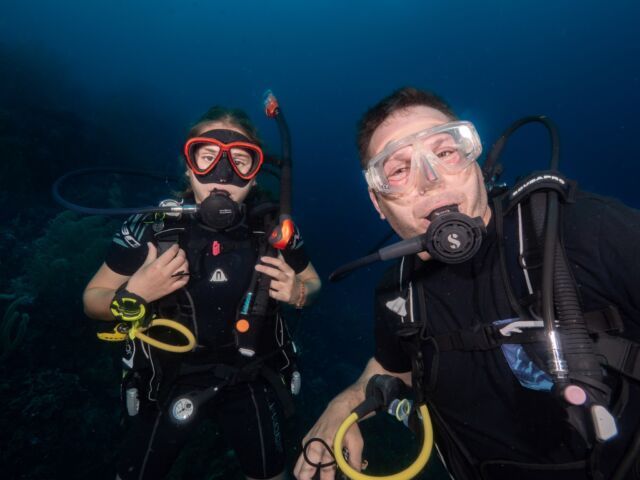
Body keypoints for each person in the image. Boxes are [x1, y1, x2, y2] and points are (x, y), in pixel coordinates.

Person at [294, 87, 640, 480]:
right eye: (398, 170)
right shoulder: (397, 290)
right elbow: (394, 365)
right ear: (378, 202)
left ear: (475, 162)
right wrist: (346, 401)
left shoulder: (579, 230)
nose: (431, 179)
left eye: (444, 153)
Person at [83, 105, 321, 480]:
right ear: (188, 166)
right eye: (208, 157)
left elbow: (313, 281)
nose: (222, 176)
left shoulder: (276, 230)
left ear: (255, 174)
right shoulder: (150, 227)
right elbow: (93, 297)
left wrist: (299, 292)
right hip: (165, 379)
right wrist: (134, 295)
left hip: (250, 375)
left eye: (240, 161)